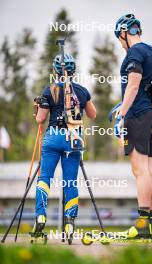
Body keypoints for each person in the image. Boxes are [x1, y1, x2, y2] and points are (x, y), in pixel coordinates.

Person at [32, 54, 96, 239]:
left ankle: (41, 216)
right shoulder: (82, 91)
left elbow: (41, 119)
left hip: (53, 137)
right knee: (70, 181)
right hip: (73, 138)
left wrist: (37, 110)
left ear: (55, 70)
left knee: (45, 177)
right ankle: (69, 224)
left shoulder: (49, 90)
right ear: (73, 70)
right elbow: (92, 114)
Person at [113, 14, 152, 238]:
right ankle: (151, 224)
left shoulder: (135, 52)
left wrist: (122, 115)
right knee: (149, 171)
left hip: (138, 115)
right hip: (151, 114)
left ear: (124, 32)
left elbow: (133, 86)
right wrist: (123, 104)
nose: (121, 43)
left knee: (139, 170)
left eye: (119, 38)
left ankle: (141, 224)